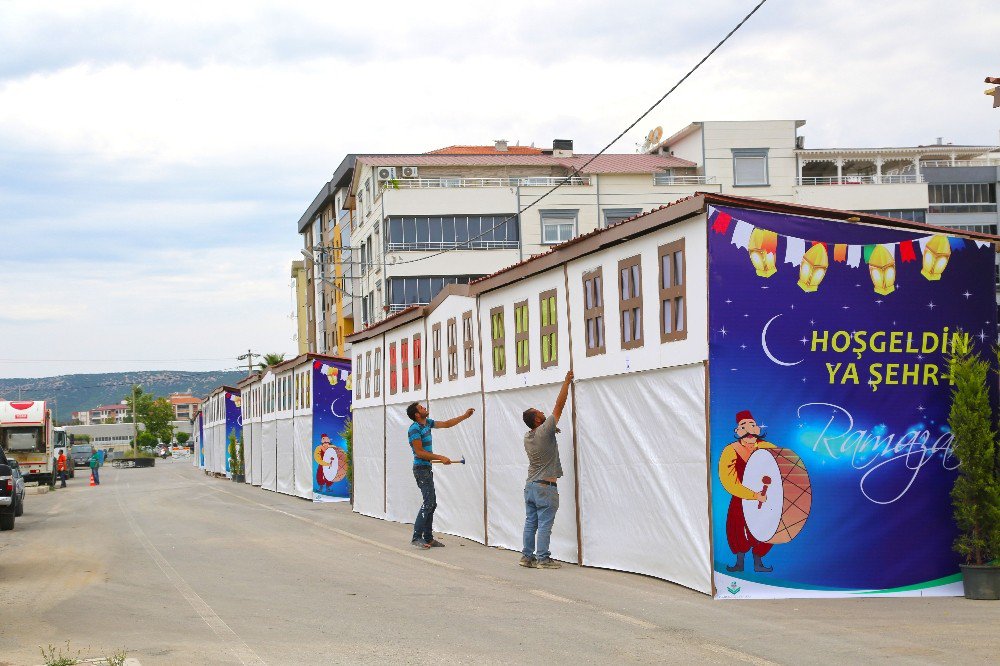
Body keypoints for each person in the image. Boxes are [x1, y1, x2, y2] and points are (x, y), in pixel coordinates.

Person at [520, 369, 573, 569]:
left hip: (530, 486)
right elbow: (559, 406)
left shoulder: (528, 436)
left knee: (530, 522)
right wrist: (566, 382)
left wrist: (552, 429)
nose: (543, 412)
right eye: (539, 412)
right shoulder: (544, 429)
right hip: (545, 487)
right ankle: (543, 558)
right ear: (537, 420)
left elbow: (544, 433)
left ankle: (527, 557)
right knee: (544, 524)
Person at [406, 401, 475, 549]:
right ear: (417, 415)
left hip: (426, 468)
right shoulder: (414, 429)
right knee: (428, 503)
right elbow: (419, 452)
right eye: (421, 408)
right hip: (421, 469)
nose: (425, 408)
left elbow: (447, 424)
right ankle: (417, 537)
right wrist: (440, 458)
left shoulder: (427, 423)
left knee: (432, 503)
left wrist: (464, 416)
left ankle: (428, 538)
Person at [719, 410, 775, 573]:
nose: (749, 430)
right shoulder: (731, 451)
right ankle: (739, 563)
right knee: (737, 529)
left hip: (765, 498)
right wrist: (752, 495)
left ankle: (758, 563)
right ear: (737, 431)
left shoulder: (768, 448)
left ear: (757, 429)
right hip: (741, 498)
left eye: (752, 425)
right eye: (744, 426)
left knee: (766, 527)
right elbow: (729, 481)